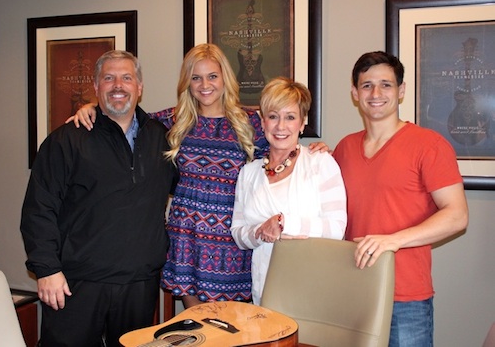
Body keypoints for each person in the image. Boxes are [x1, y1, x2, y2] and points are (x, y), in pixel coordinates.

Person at [69, 43, 328, 309]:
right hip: (186, 242)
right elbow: (123, 111)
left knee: (231, 330)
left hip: (233, 243)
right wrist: (91, 107)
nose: (205, 84)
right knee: (199, 329)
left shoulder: (249, 123)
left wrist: (312, 150)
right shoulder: (170, 121)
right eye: (196, 77)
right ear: (187, 83)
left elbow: (281, 146)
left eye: (212, 76)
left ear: (224, 78)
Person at [20, 50, 178, 346]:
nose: (118, 85)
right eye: (109, 78)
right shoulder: (67, 140)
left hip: (139, 282)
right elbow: (38, 209)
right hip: (76, 282)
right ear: (96, 87)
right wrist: (47, 269)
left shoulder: (161, 138)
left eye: (126, 77)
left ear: (140, 87)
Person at [332, 51, 469, 347]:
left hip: (406, 299)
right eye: (367, 85)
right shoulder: (343, 148)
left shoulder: (429, 145)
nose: (376, 93)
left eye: (386, 84)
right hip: (354, 290)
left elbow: (457, 216)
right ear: (355, 93)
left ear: (401, 90)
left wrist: (392, 240)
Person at [230, 77, 347, 305]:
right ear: (263, 123)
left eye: (290, 117)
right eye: (273, 117)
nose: (280, 126)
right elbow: (238, 234)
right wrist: (259, 232)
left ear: (302, 123)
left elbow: (336, 228)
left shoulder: (320, 163)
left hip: (312, 288)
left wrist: (284, 223)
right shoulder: (249, 172)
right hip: (265, 289)